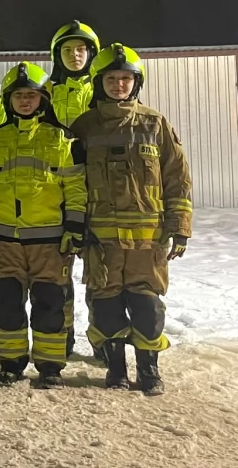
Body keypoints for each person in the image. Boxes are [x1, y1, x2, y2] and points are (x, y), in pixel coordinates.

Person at [71, 44, 191, 395]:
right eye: (112, 78)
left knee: (147, 305)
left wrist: (179, 228)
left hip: (147, 241)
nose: (119, 85)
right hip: (101, 240)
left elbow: (178, 178)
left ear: (136, 83)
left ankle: (149, 370)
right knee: (105, 304)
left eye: (126, 78)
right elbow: (68, 180)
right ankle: (116, 368)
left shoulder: (155, 124)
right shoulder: (84, 127)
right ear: (99, 82)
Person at [0, 63, 87, 389]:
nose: (25, 101)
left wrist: (74, 228)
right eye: (19, 95)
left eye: (31, 95)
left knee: (50, 305)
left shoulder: (63, 139)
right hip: (3, 239)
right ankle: (11, 363)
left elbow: (76, 189)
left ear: (43, 99)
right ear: (8, 100)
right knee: (6, 304)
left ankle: (50, 366)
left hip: (49, 242)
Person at [49, 20, 102, 358]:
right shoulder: (46, 93)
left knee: (101, 270)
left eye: (80, 48)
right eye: (67, 50)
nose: (74, 54)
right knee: (58, 269)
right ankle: (62, 334)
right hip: (58, 191)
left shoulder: (103, 91)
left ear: (91, 53)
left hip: (100, 190)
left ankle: (102, 337)